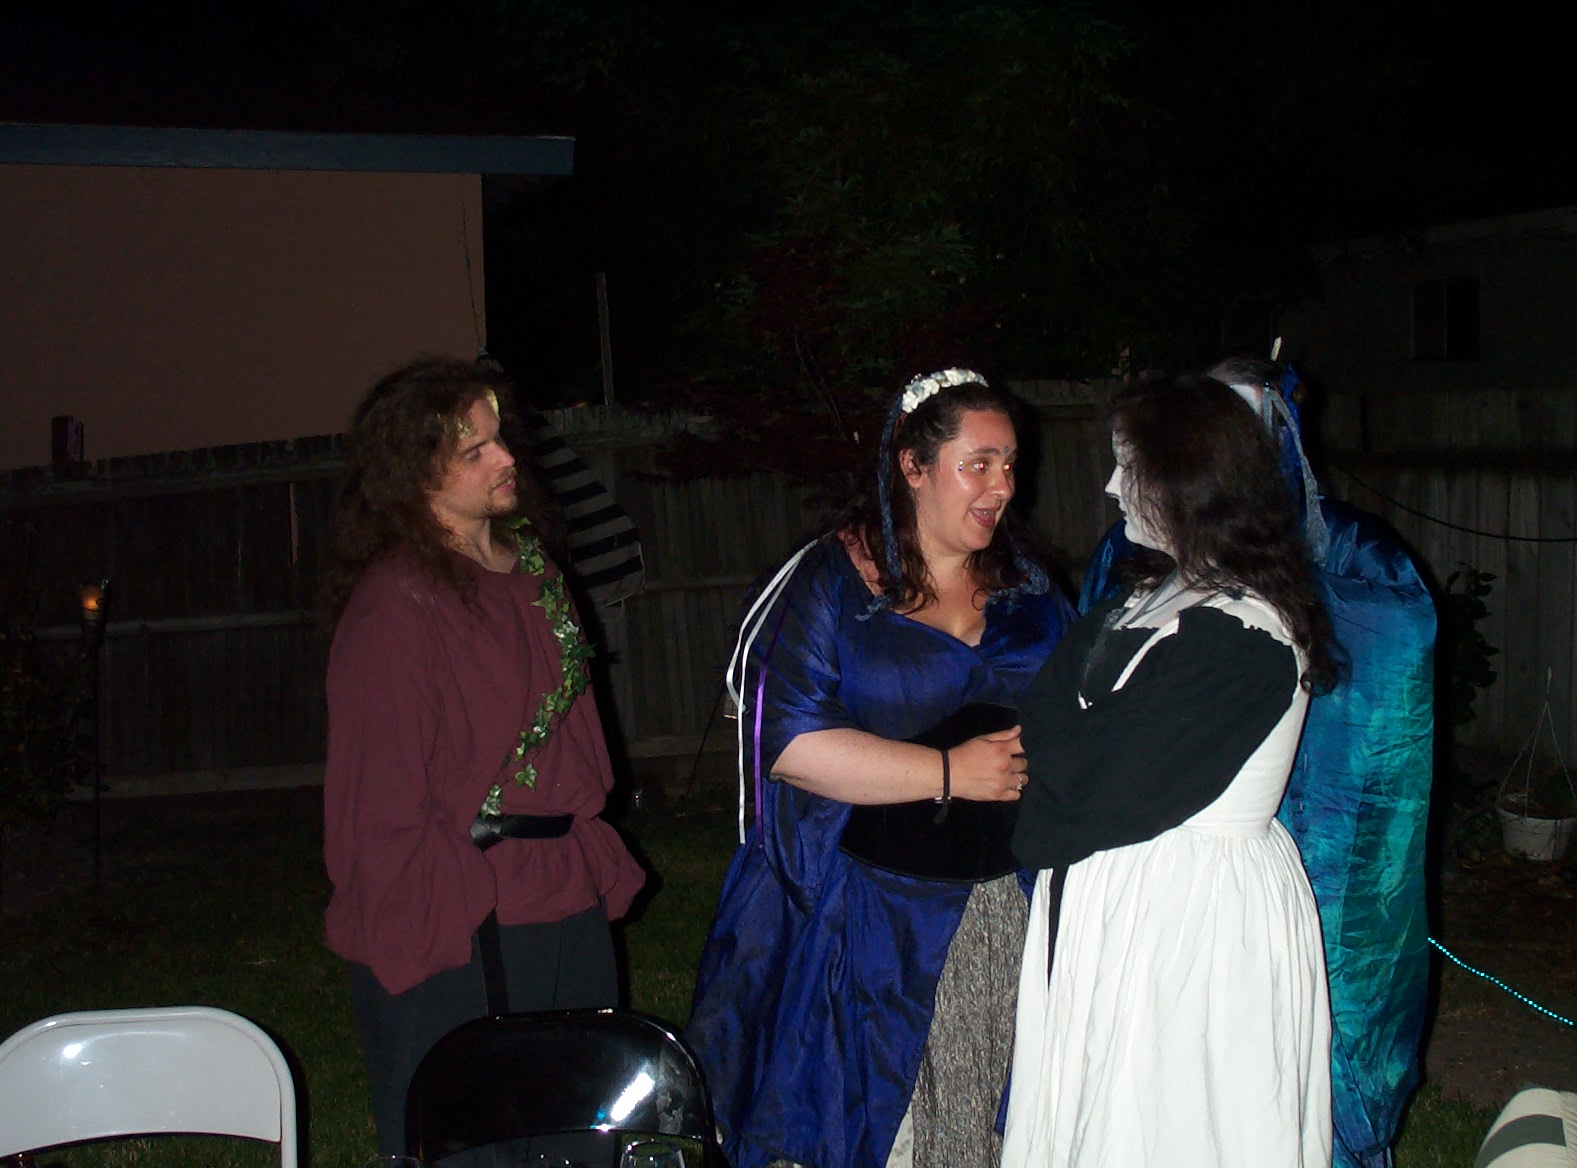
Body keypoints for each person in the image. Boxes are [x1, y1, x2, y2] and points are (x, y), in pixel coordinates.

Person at [686, 369, 1075, 1168]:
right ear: (913, 466)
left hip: (1007, 905)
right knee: (875, 1122)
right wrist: (948, 772)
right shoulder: (830, 585)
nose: (1003, 486)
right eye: (978, 464)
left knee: (997, 1116)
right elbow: (787, 745)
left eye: (1010, 464)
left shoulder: (1031, 589)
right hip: (866, 914)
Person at [1003, 373, 1337, 1168]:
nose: (1111, 486)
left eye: (1130, 466)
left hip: (1191, 917)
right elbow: (1046, 714)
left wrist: (1058, 761)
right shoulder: (1151, 595)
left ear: (1192, 479)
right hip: (1125, 891)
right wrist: (1064, 752)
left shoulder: (1245, 635)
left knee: (1169, 1115)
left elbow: (1099, 782)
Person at [321, 357, 645, 1158]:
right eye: (476, 451)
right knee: (482, 1137)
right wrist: (423, 938)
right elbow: (377, 801)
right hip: (469, 915)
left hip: (559, 894)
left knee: (579, 1122)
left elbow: (580, 745)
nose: (506, 459)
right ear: (414, 474)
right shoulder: (396, 606)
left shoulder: (536, 570)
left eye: (500, 439)